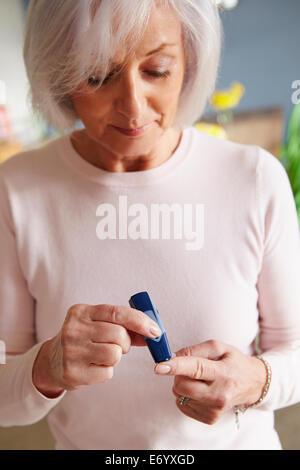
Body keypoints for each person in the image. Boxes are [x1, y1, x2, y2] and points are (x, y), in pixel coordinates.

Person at [0, 0, 300, 451]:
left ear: (190, 60)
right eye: (97, 76)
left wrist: (256, 380)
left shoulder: (254, 179)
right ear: (58, 72)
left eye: (157, 70)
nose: (133, 108)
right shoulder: (17, 188)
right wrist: (45, 366)